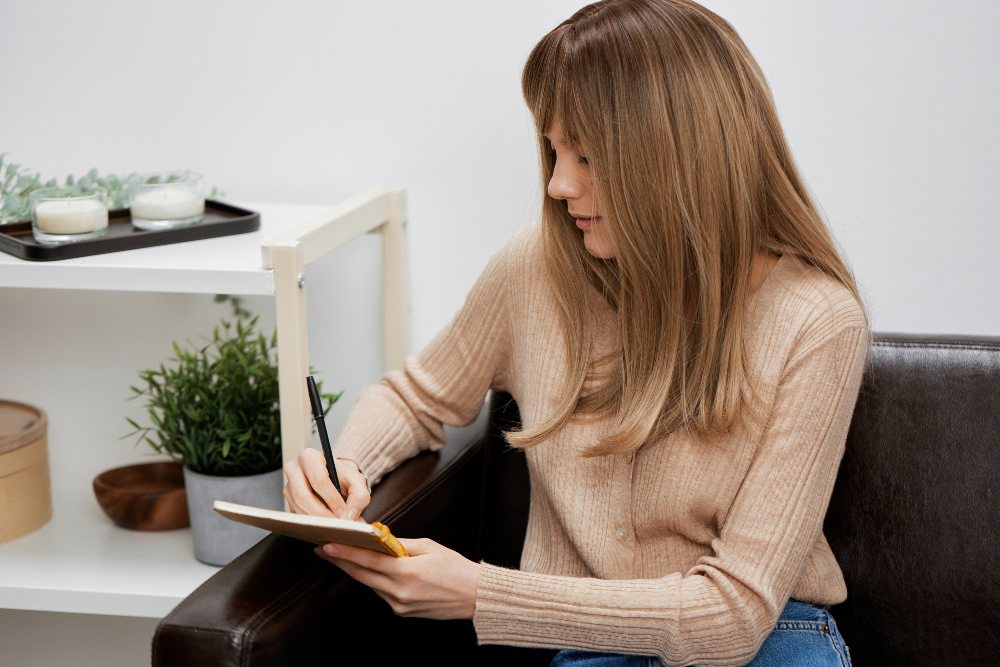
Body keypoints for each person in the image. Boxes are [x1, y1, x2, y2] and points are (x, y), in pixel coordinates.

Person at [283, 1, 867, 665]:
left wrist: (481, 592)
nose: (559, 184)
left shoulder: (816, 321)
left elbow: (733, 617)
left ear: (679, 160)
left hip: (769, 641)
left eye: (587, 155)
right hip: (593, 647)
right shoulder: (532, 268)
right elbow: (416, 397)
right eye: (554, 149)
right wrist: (342, 468)